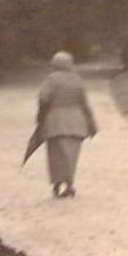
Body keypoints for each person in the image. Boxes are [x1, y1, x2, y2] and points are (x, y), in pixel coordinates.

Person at [35, 51, 97, 198]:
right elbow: (85, 104)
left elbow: (43, 99)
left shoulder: (51, 80)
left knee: (55, 154)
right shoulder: (78, 81)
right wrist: (92, 124)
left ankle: (57, 184)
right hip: (77, 121)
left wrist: (40, 116)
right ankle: (69, 184)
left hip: (55, 121)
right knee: (71, 155)